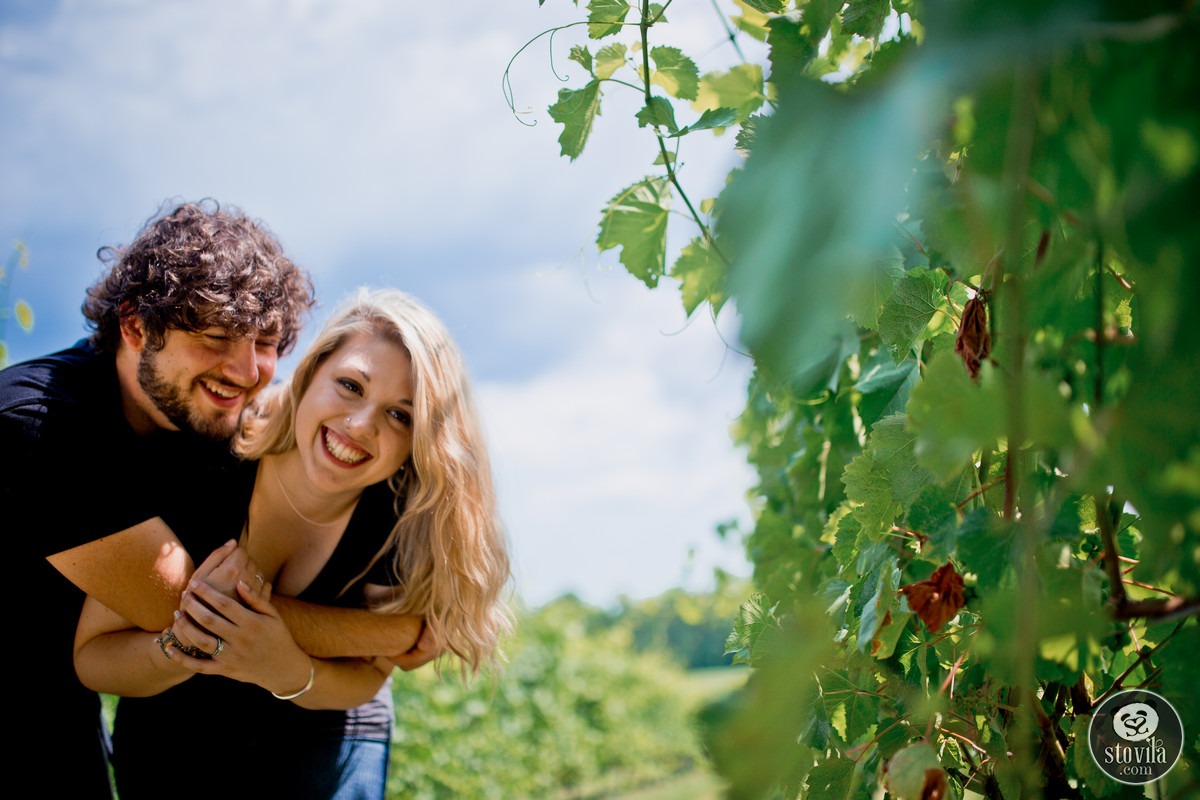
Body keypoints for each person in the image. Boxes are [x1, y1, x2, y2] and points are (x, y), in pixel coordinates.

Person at [0, 201, 430, 798]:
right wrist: (395, 635)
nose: (248, 369)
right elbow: (194, 609)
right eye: (217, 337)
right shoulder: (41, 425)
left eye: (267, 342)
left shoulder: (191, 418)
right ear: (134, 326)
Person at [72, 287, 514, 800]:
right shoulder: (204, 463)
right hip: (177, 728)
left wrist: (284, 668)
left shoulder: (403, 511)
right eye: (350, 385)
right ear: (309, 375)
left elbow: (367, 680)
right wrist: (186, 647)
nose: (359, 426)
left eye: (400, 415)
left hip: (330, 722)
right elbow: (94, 658)